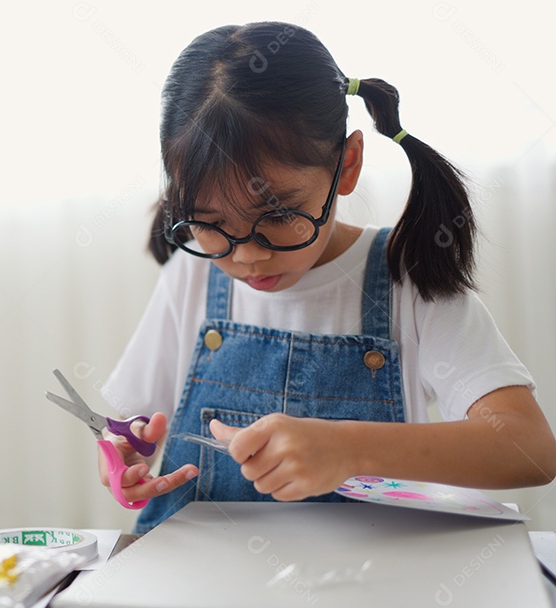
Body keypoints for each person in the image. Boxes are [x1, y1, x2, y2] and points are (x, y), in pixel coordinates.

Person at [98, 21, 556, 533]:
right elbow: (133, 428)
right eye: (210, 223)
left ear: (348, 165)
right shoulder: (191, 276)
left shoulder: (407, 280)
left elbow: (530, 450)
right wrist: (124, 453)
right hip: (199, 574)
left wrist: (347, 447)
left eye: (275, 215)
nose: (247, 256)